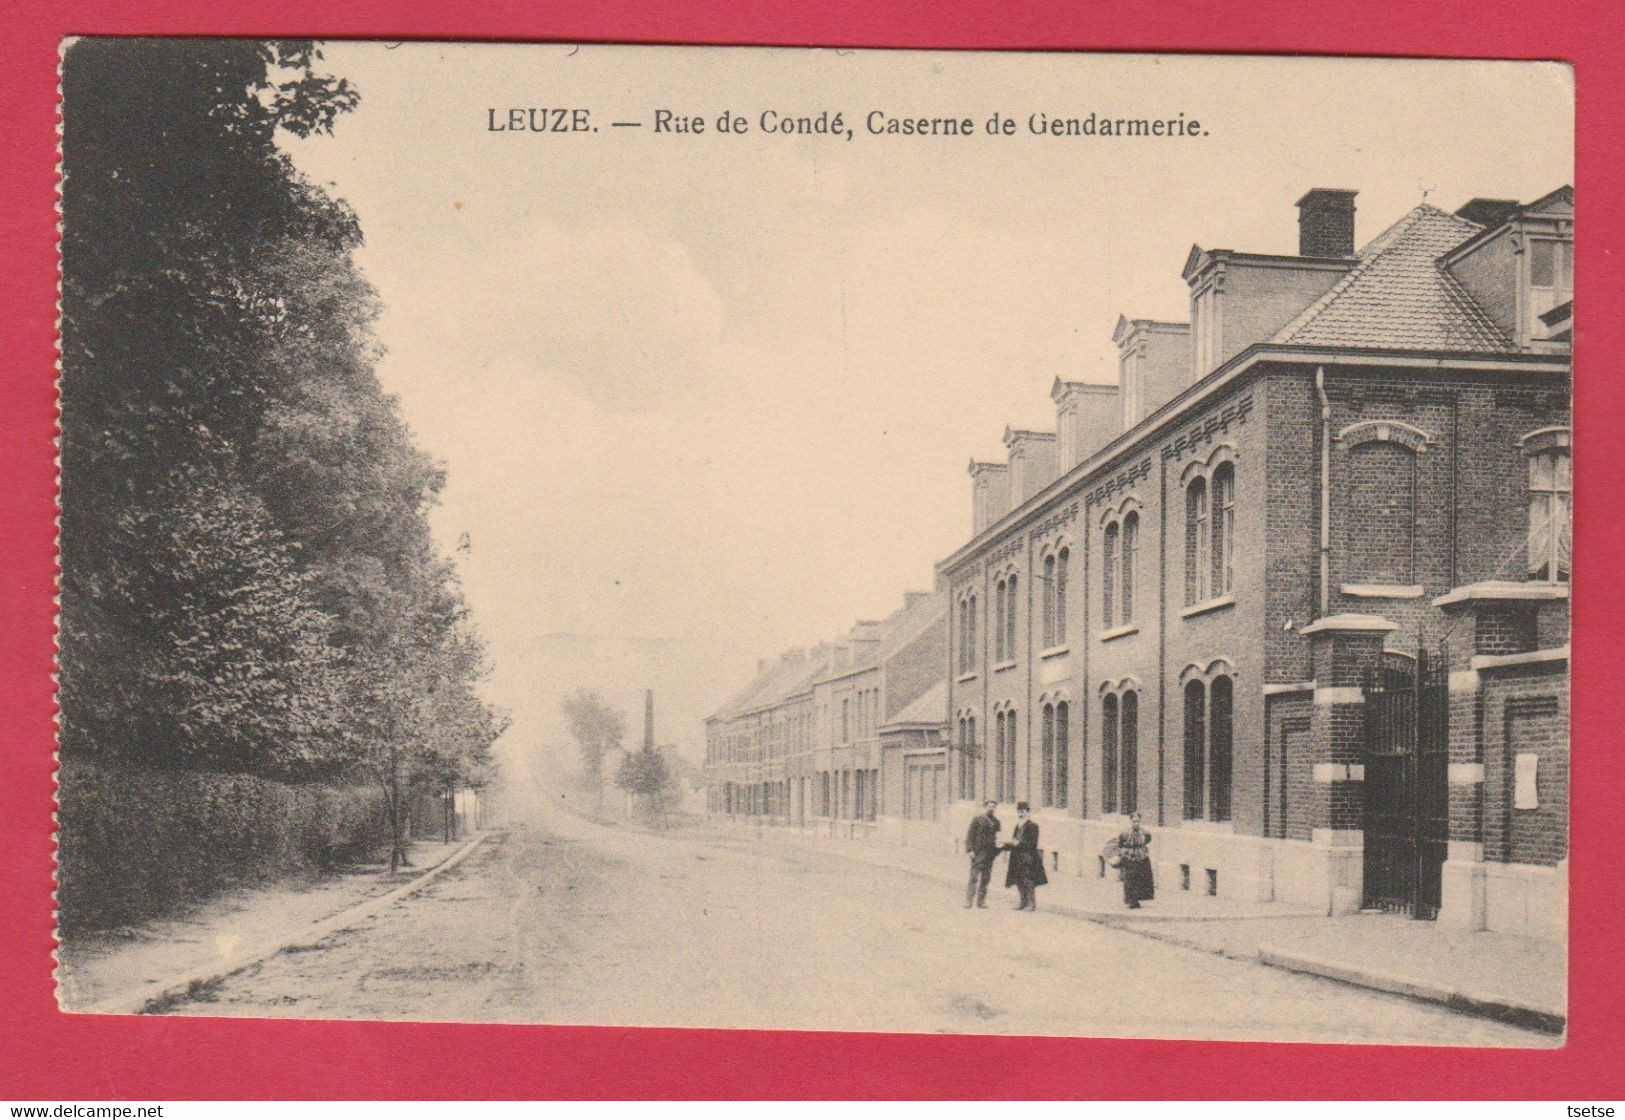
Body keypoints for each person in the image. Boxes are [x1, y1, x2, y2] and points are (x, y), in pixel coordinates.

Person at [1003, 801, 1048, 911]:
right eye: (1019, 812)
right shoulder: (1017, 826)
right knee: (1018, 880)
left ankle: (1031, 904)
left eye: (1023, 812)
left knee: (1028, 880)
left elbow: (1033, 844)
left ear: (1028, 812)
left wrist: (1018, 844)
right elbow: (1014, 840)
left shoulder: (1033, 826)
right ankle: (1022, 902)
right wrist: (1005, 845)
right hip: (1016, 858)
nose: (1020, 814)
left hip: (1028, 857)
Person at [1111, 812, 1155, 909]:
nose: (1136, 823)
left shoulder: (1145, 832)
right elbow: (1120, 843)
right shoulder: (1125, 833)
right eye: (1134, 821)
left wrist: (1141, 850)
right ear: (1131, 821)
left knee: (1140, 879)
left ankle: (1137, 900)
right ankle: (1131, 900)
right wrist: (1124, 853)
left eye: (1138, 821)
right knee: (1130, 879)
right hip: (1129, 857)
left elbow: (1148, 840)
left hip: (1141, 857)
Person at [963, 799, 1001, 908]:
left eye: (994, 807)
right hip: (978, 853)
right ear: (985, 807)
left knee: (985, 878)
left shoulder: (997, 822)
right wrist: (970, 850)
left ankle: (981, 902)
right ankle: (968, 901)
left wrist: (997, 850)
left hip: (990, 854)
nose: (992, 808)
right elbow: (970, 835)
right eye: (990, 806)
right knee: (974, 877)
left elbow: (998, 838)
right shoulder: (977, 820)